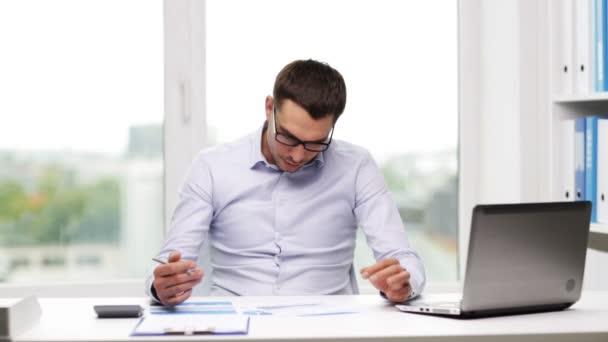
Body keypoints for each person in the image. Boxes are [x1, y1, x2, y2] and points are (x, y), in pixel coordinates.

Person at [146, 59, 426, 306]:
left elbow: (402, 256)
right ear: (269, 108)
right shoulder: (211, 167)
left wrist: (403, 283)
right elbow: (168, 260)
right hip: (235, 324)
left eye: (316, 143)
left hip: (331, 328)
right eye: (289, 138)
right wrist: (161, 285)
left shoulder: (356, 166)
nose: (298, 155)